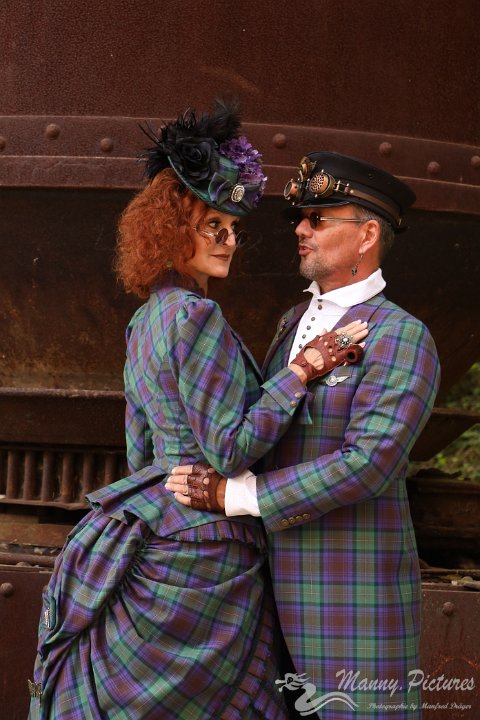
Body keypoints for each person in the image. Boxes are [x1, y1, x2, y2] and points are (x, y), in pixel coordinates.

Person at [28, 104, 368, 720]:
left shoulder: (145, 320)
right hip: (205, 545)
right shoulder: (197, 316)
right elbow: (230, 450)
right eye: (214, 226)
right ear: (170, 232)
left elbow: (139, 449)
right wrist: (302, 370)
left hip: (150, 525)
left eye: (234, 228)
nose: (229, 240)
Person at [166, 152, 441, 719]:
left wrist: (237, 495)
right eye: (300, 218)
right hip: (264, 598)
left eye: (318, 218)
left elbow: (368, 463)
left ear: (367, 235)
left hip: (351, 604)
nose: (300, 229)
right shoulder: (291, 323)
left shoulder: (402, 336)